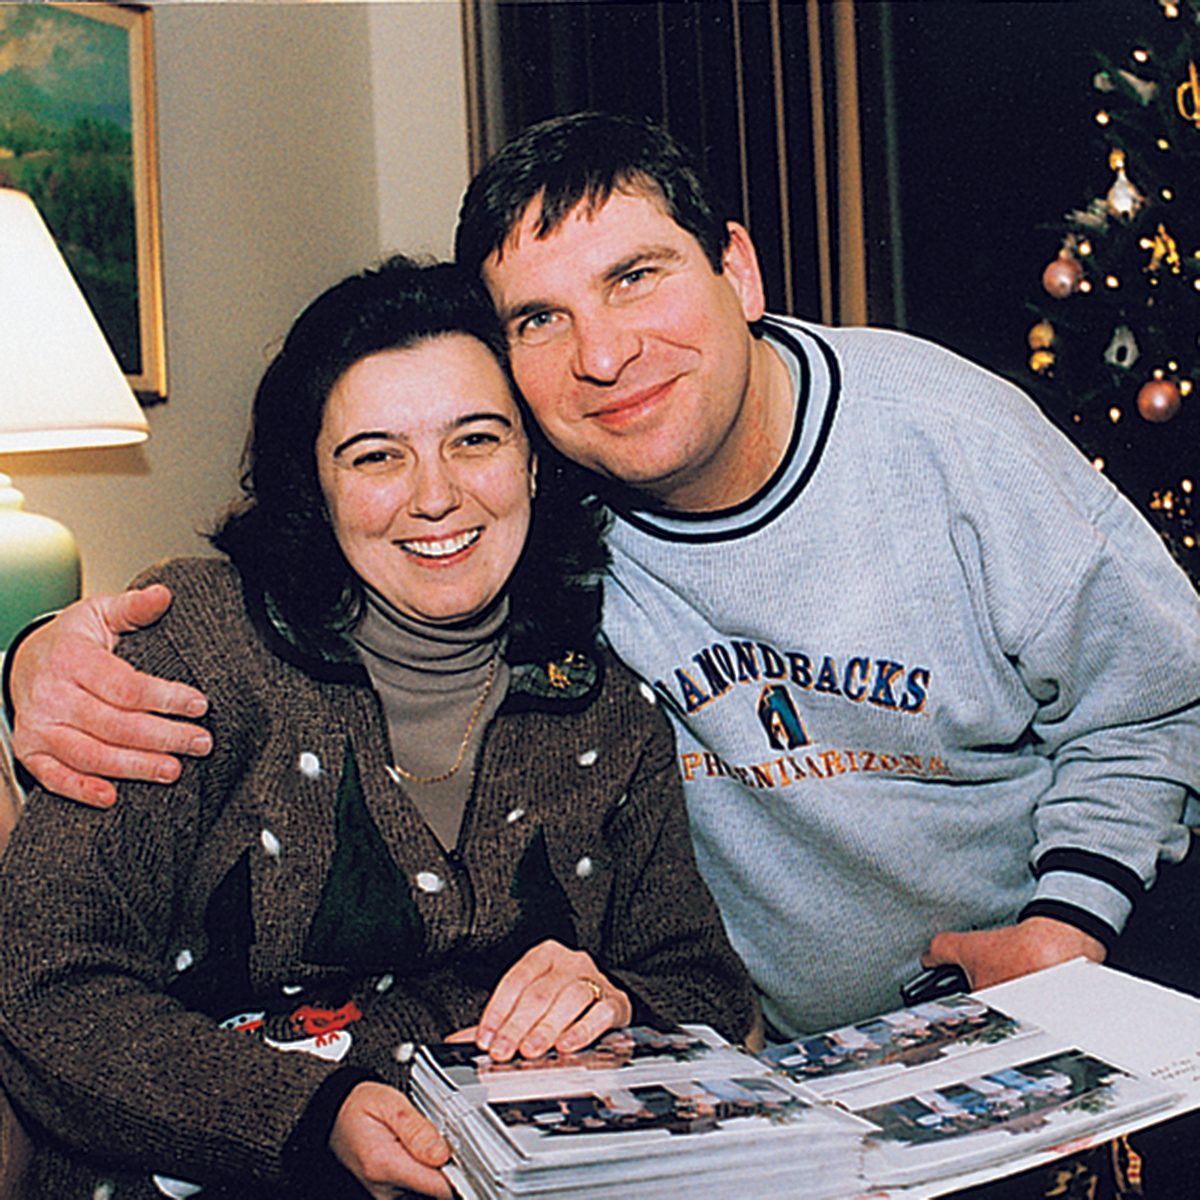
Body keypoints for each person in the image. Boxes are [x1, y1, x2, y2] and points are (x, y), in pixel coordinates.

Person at [6, 112, 1200, 1039]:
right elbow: (309, 609)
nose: (605, 353)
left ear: (735, 269)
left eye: (637, 277)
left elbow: (1158, 699)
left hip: (1072, 993)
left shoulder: (949, 438)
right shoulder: (531, 507)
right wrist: (38, 656)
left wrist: (1068, 926)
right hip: (803, 1072)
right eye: (539, 317)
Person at [0, 256, 755, 1199]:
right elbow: (45, 989)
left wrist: (615, 1000)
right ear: (312, 485)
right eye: (375, 456)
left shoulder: (604, 706)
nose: (434, 495)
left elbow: (706, 988)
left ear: (532, 460)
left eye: (476, 440)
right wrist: (315, 1118)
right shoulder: (189, 647)